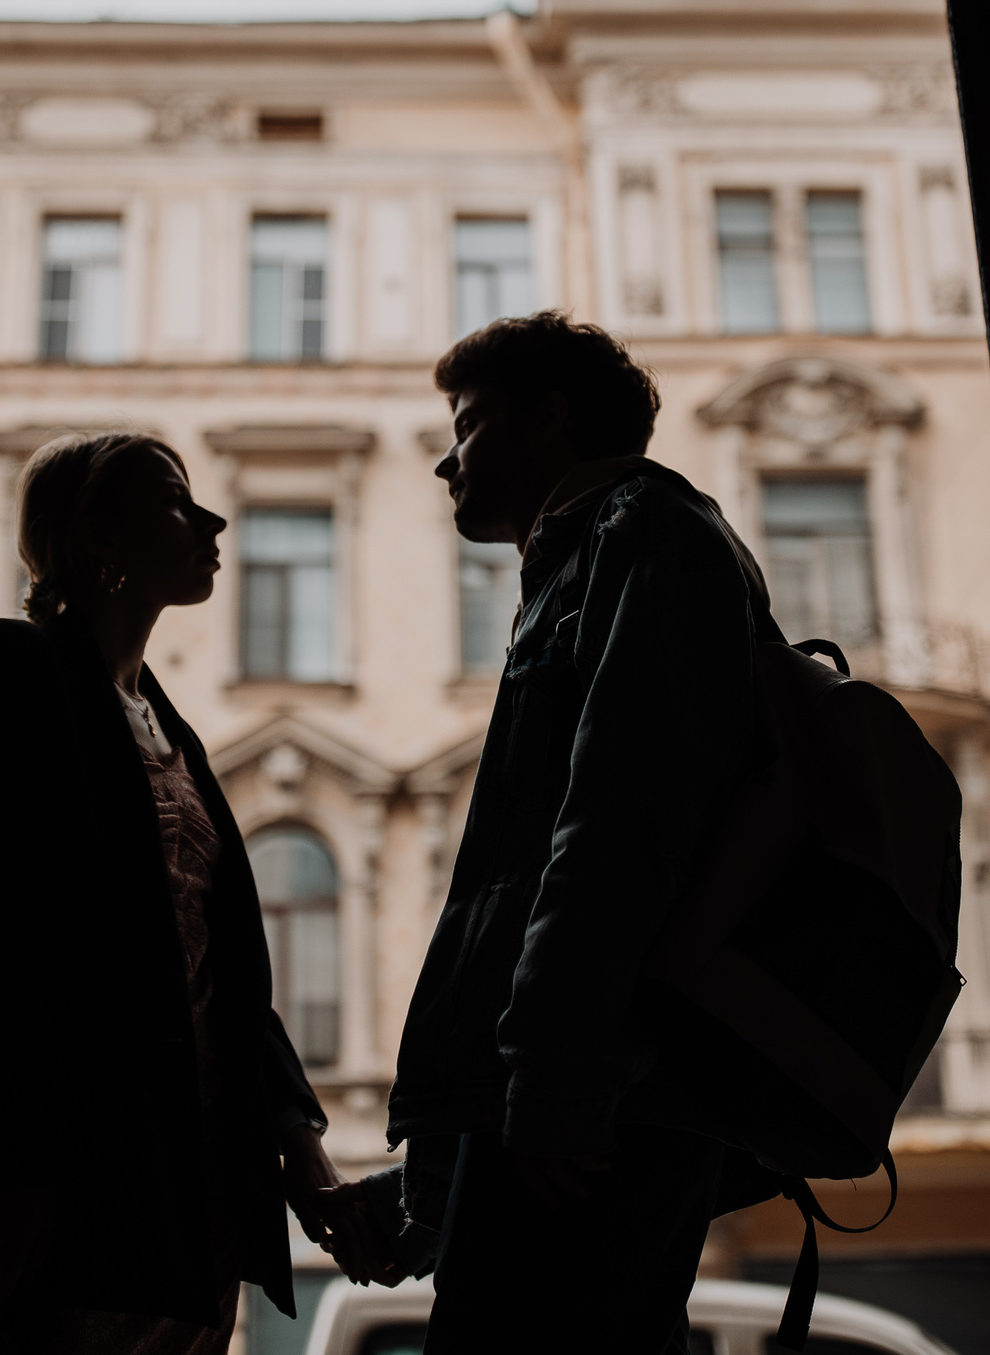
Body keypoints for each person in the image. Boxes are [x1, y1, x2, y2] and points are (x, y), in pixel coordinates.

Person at [0, 431, 396, 1354]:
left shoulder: (171, 729)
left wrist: (303, 1159)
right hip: (67, 1187)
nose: (213, 520)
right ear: (99, 537)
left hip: (194, 1194)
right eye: (177, 501)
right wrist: (5, 1167)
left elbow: (217, 973)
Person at [376, 312, 778, 1353]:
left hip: (597, 1096)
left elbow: (618, 826)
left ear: (546, 419)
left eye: (465, 425)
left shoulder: (638, 535)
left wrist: (556, 1077)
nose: (442, 460)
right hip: (588, 1085)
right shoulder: (597, 552)